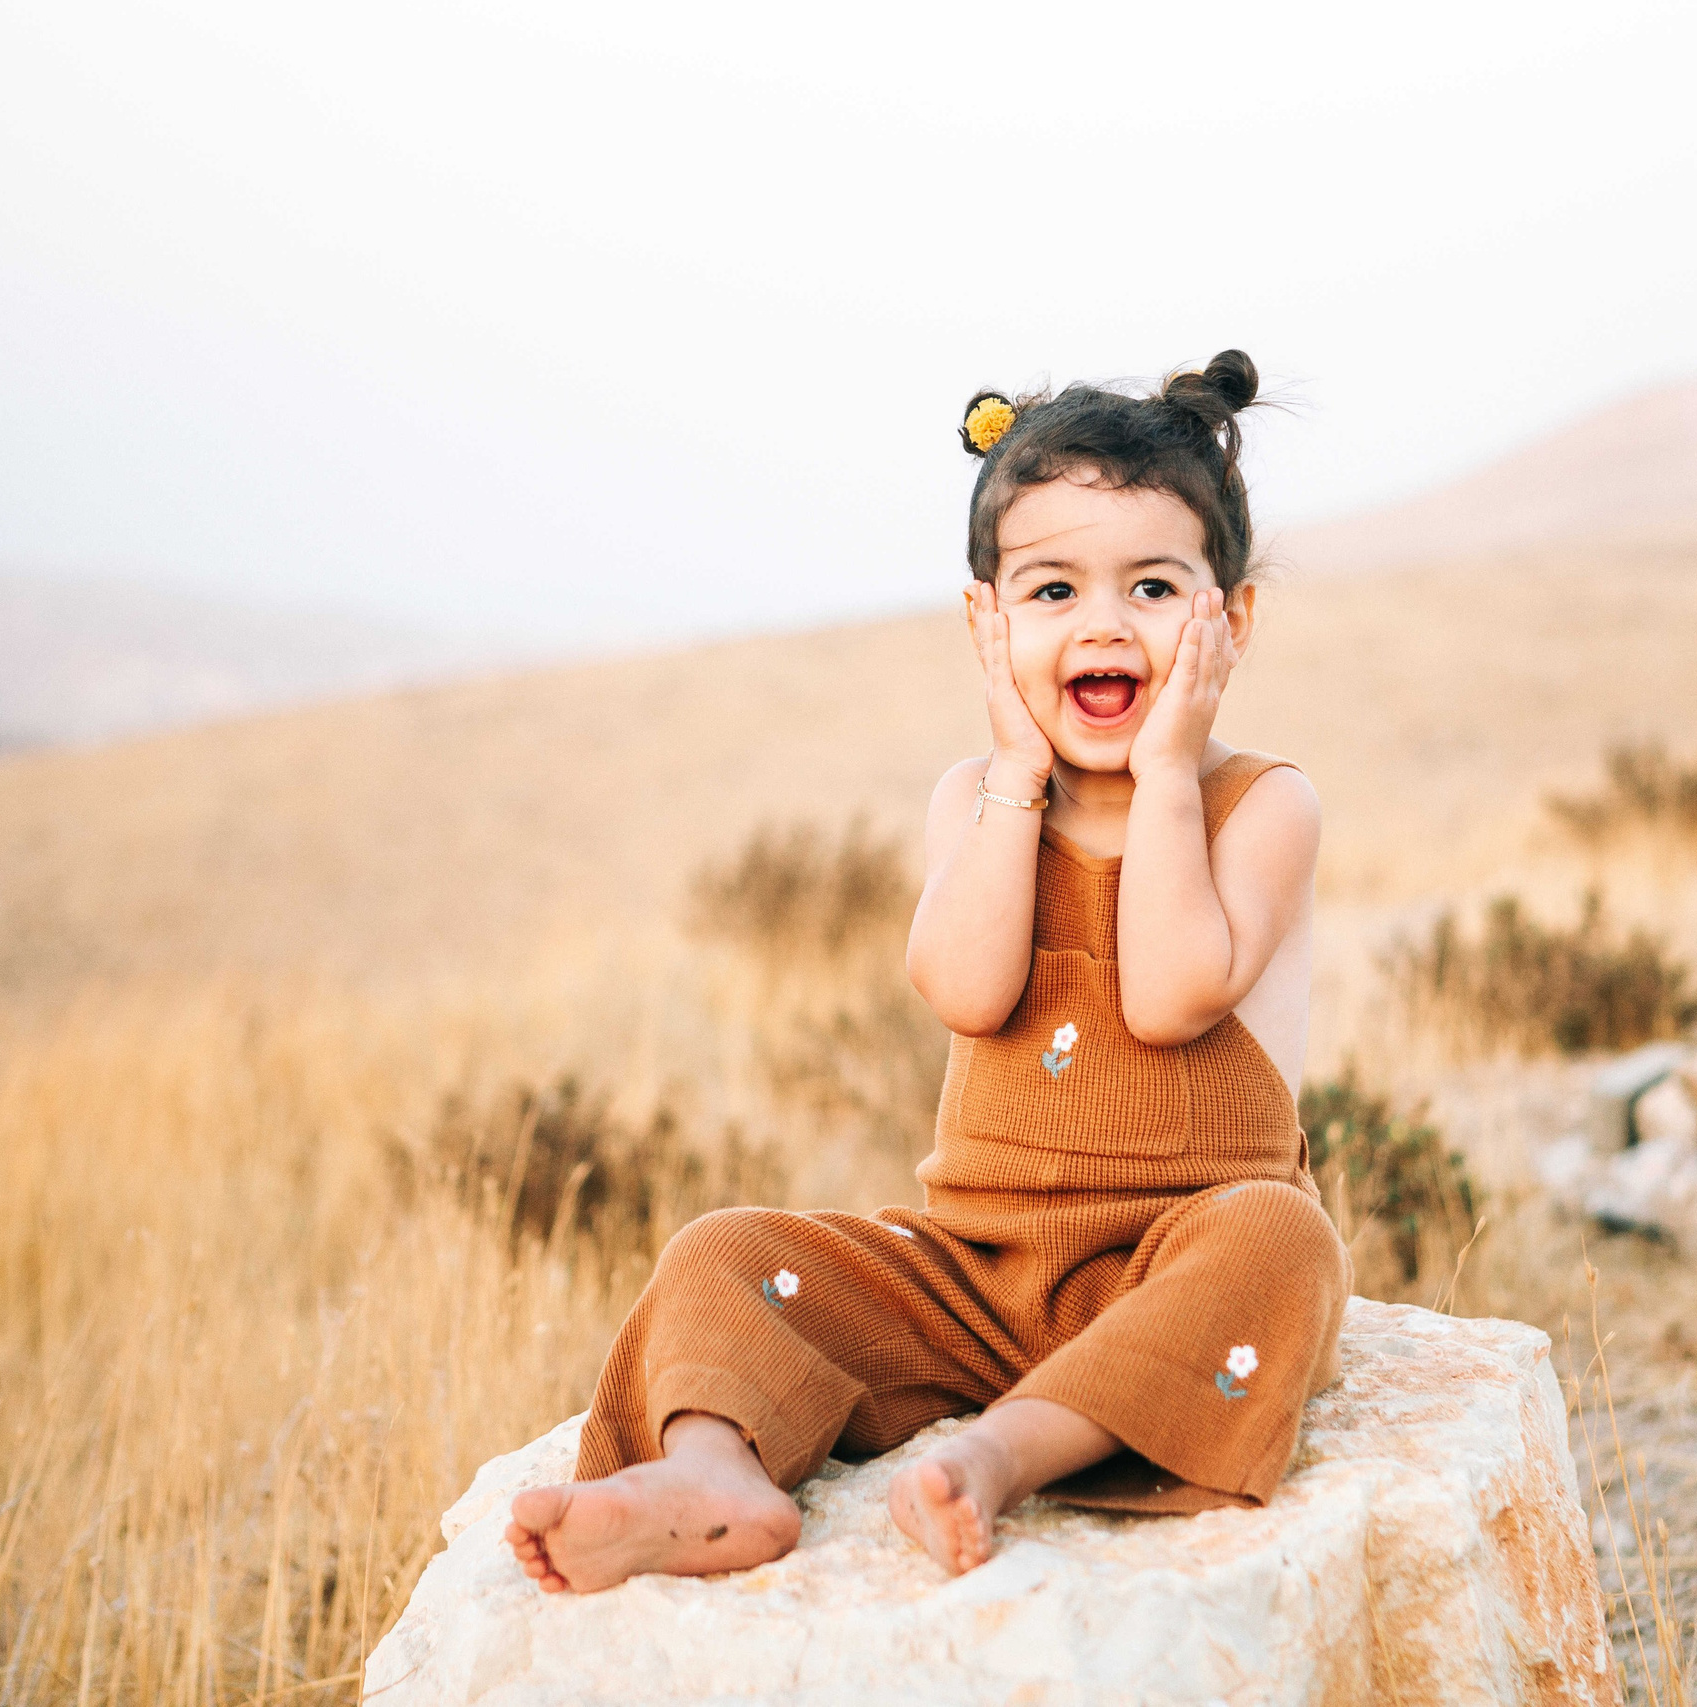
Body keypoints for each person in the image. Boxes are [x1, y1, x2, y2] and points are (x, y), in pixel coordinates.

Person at [506, 350, 1348, 1591]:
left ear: (1232, 620)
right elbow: (964, 990)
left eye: (1155, 588)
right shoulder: (976, 798)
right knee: (724, 1248)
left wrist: (1167, 769)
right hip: (972, 1275)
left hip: (1174, 1258)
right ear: (986, 622)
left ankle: (1006, 1454)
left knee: (1282, 1242)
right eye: (1052, 590)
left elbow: (1171, 995)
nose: (1104, 625)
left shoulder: (1256, 805)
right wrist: (1014, 772)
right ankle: (713, 1473)